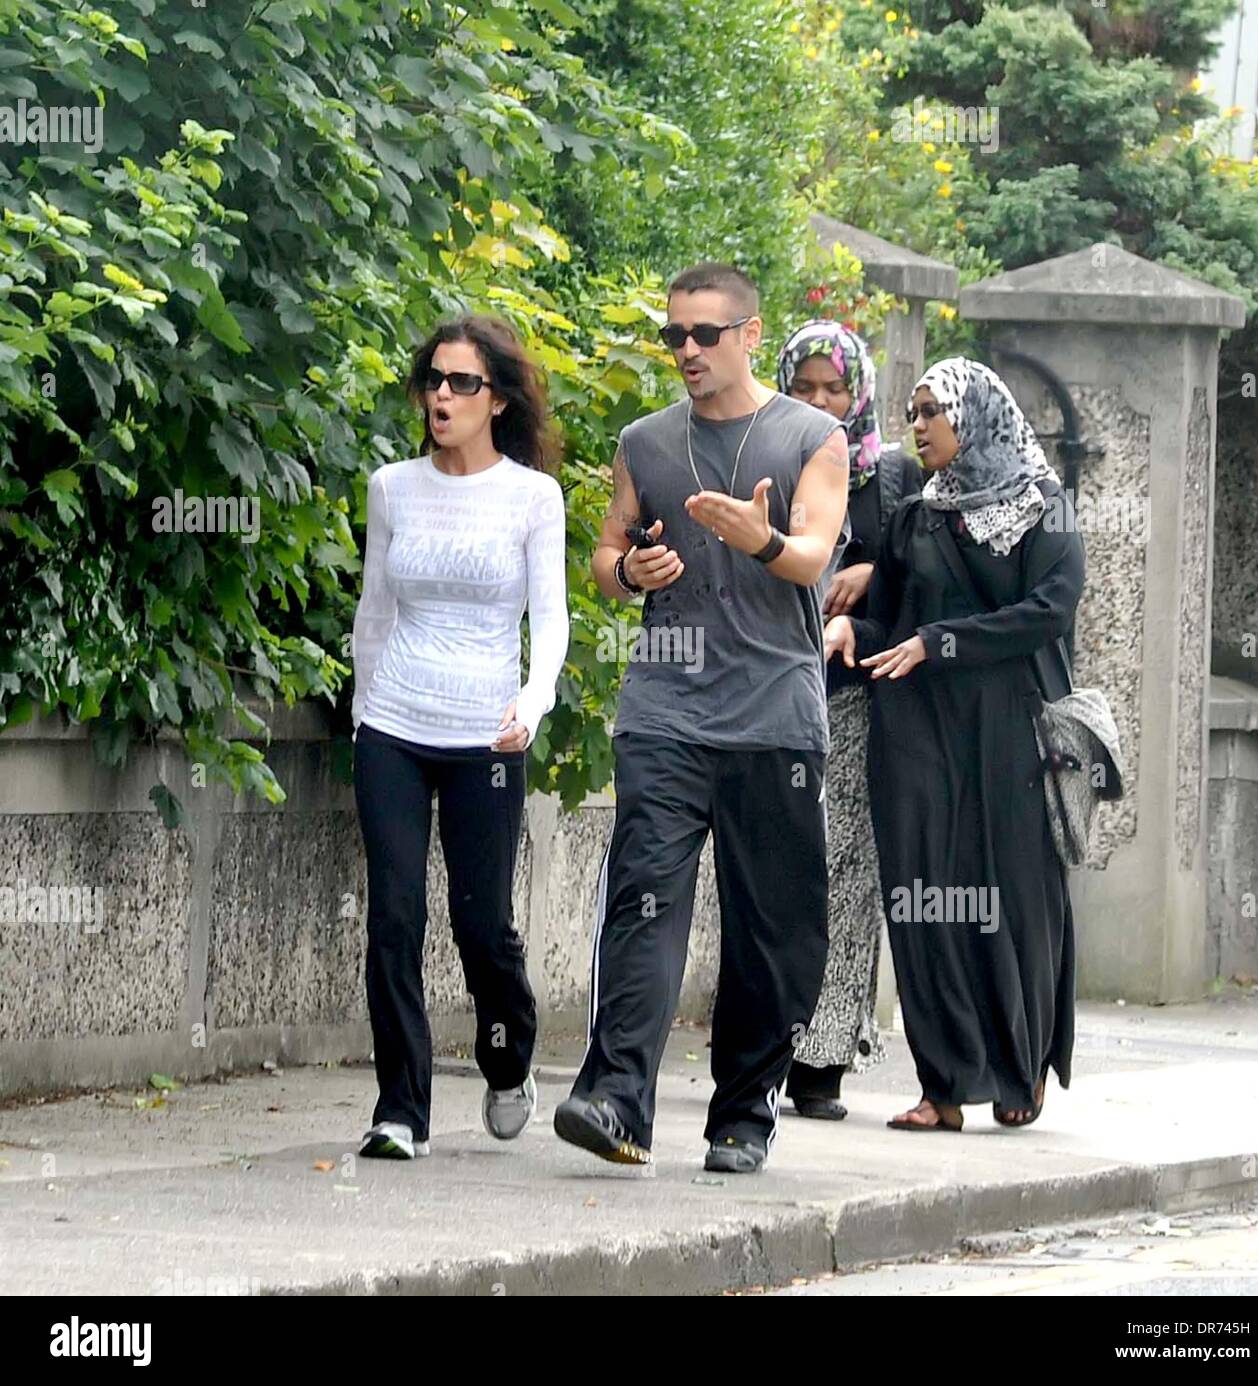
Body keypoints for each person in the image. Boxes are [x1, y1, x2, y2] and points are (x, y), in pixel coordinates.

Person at [553, 262, 850, 1173]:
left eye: (704, 335)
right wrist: (625, 574)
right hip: (666, 711)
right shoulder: (645, 440)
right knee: (644, 903)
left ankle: (743, 1115)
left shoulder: (813, 435)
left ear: (751, 335)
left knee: (770, 928)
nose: (686, 350)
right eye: (674, 335)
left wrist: (754, 536)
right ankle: (615, 1100)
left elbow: (809, 556)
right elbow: (605, 553)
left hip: (772, 718)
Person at [824, 358, 1084, 1133]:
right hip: (914, 729)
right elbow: (896, 627)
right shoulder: (916, 516)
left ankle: (1017, 1066)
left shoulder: (1047, 508)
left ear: (975, 416)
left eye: (933, 411)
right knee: (921, 895)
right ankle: (943, 1085)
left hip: (1008, 728)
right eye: (913, 411)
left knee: (1011, 897)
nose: (919, 425)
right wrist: (849, 629)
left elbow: (1049, 611)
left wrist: (943, 643)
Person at [350, 314, 569, 1160]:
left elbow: (548, 621)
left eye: (462, 383)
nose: (442, 395)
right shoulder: (392, 486)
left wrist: (533, 701)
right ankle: (401, 1109)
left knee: (481, 922)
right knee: (394, 916)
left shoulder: (530, 496)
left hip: (489, 735)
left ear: (498, 399)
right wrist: (367, 713)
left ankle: (506, 1054)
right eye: (433, 380)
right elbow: (376, 612)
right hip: (394, 729)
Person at [776, 320, 921, 1120]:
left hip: (857, 698)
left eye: (836, 389)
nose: (823, 403)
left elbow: (921, 597)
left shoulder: (892, 482)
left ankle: (823, 1058)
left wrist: (870, 582)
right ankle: (767, 1038)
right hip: (768, 694)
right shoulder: (764, 456)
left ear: (859, 392)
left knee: (847, 876)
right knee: (775, 871)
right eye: (807, 389)